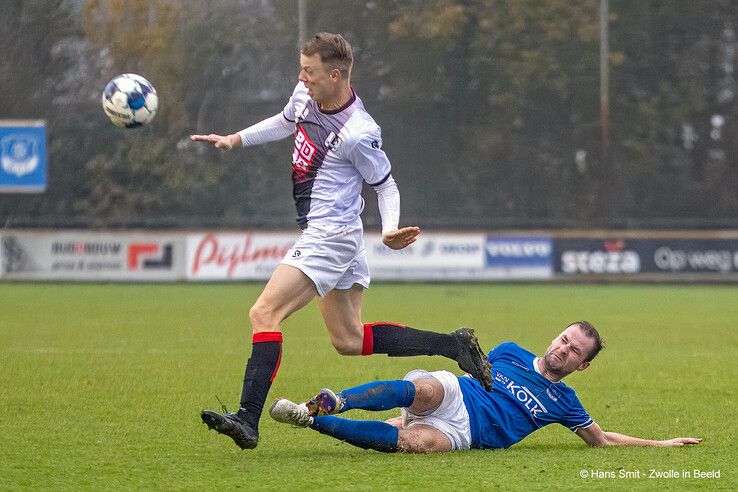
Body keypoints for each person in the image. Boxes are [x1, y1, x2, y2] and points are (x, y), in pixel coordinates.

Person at [190, 32, 492, 450]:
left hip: (329, 235)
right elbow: (285, 120)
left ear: (336, 75)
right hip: (335, 235)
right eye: (302, 69)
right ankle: (452, 344)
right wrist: (236, 138)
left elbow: (385, 185)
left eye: (309, 71)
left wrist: (389, 229)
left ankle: (247, 418)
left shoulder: (359, 130)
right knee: (348, 340)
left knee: (264, 313)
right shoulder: (305, 94)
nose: (301, 77)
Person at [269, 321, 702, 452]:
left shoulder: (565, 401)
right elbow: (471, 365)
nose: (563, 350)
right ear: (555, 336)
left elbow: (602, 440)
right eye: (564, 339)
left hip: (466, 433)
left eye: (574, 352)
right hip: (457, 393)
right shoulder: (510, 349)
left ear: (582, 366)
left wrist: (663, 445)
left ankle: (307, 420)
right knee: (425, 390)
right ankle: (332, 401)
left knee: (414, 445)